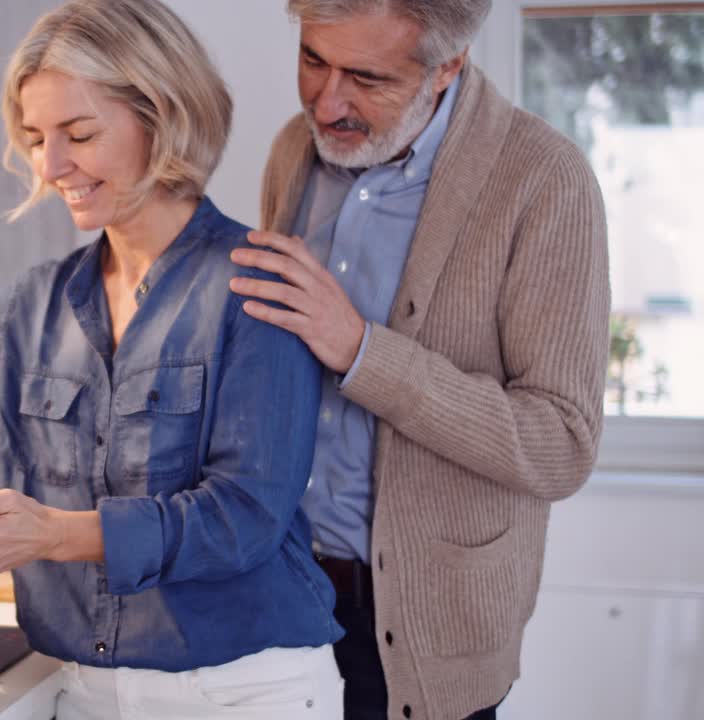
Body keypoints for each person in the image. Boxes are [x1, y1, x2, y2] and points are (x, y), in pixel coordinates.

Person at [0, 1, 346, 718]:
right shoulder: (37, 304)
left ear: (163, 115)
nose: (50, 165)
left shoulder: (259, 289)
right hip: (85, 692)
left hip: (245, 692)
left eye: (78, 134)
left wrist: (54, 535)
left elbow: (241, 518)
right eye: (34, 138)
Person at [229, 1, 610, 719]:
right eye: (313, 60)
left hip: (422, 626)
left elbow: (561, 443)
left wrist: (364, 351)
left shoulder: (545, 181)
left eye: (367, 78)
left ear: (450, 66)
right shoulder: (295, 150)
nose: (327, 100)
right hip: (279, 594)